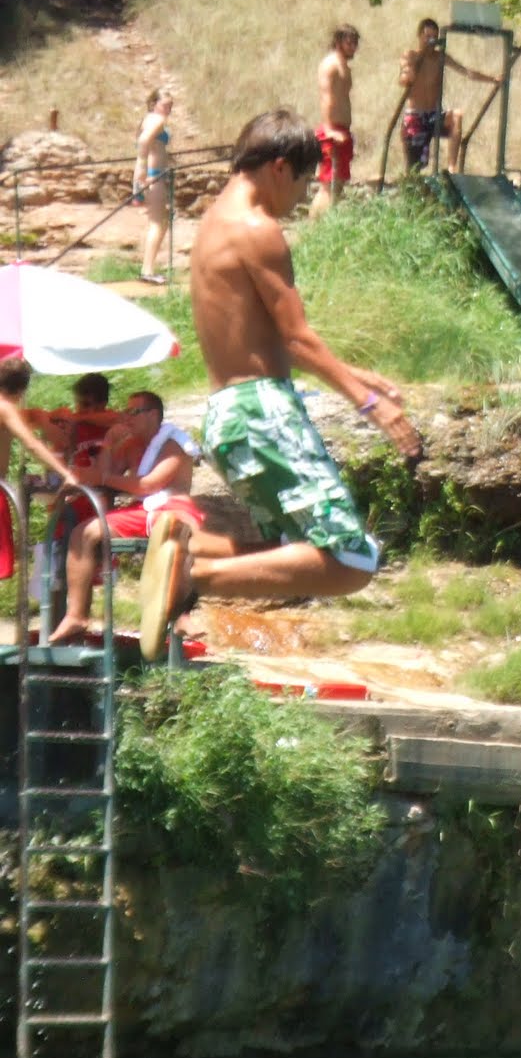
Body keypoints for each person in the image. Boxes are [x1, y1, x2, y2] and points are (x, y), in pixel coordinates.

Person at [149, 109, 421, 660]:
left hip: (228, 413)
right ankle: (193, 574)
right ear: (279, 167)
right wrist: (369, 402)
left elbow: (264, 339)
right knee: (350, 560)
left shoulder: (214, 223)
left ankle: (189, 545)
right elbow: (297, 339)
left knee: (286, 550)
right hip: (260, 412)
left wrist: (354, 373)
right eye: (303, 181)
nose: (301, 197)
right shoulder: (259, 229)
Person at [47, 391, 205, 645]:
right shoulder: (130, 445)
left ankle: (182, 614)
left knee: (182, 530)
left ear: (153, 414)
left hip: (172, 508)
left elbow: (148, 484)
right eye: (126, 412)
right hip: (142, 511)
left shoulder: (173, 445)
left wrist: (103, 478)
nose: (127, 418)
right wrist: (109, 444)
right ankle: (76, 615)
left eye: (133, 412)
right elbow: (104, 473)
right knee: (82, 533)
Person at [0, 356, 81, 582]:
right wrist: (66, 473)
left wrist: (46, 419)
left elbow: (31, 415)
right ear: (21, 390)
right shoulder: (5, 407)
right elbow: (32, 444)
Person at [399, 17, 500, 174]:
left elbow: (467, 72)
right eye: (427, 37)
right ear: (419, 36)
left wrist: (493, 79)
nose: (431, 41)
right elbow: (404, 79)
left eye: (434, 37)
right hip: (416, 115)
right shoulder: (411, 56)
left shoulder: (440, 57)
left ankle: (452, 168)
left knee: (456, 116)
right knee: (414, 168)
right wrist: (412, 66)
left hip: (433, 114)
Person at [310, 24, 360, 218]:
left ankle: (326, 226)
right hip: (332, 131)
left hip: (342, 130)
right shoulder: (330, 64)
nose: (353, 47)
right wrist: (329, 129)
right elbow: (326, 96)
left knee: (337, 185)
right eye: (349, 43)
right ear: (338, 42)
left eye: (355, 43)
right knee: (328, 186)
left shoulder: (343, 65)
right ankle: (314, 227)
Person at [133, 88, 175, 285]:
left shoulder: (147, 119)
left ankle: (147, 268)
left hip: (151, 175)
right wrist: (142, 166)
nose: (168, 109)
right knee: (158, 223)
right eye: (165, 105)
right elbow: (143, 142)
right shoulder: (157, 120)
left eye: (170, 105)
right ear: (154, 103)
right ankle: (147, 270)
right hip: (153, 176)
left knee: (159, 222)